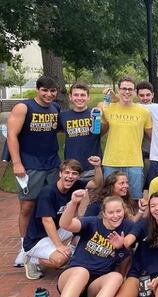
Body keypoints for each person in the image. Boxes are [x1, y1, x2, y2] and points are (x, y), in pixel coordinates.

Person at [46, 193, 134, 297]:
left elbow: (124, 256)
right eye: (111, 212)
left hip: (94, 286)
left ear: (124, 211)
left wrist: (120, 248)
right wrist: (73, 203)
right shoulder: (92, 223)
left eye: (118, 211)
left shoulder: (127, 226)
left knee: (116, 277)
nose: (115, 216)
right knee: (82, 272)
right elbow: (65, 224)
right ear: (104, 214)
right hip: (72, 278)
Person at [7, 76, 61, 267]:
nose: (48, 94)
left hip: (52, 164)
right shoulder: (24, 107)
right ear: (38, 90)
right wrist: (16, 163)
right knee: (27, 207)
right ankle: (24, 248)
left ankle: (45, 242)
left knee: (50, 206)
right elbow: (11, 135)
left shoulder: (56, 109)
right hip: (30, 164)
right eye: (45, 90)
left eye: (52, 91)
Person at [22, 158, 102, 279]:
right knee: (61, 259)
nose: (70, 176)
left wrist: (97, 167)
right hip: (37, 239)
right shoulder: (48, 192)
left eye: (74, 174)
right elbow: (46, 221)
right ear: (60, 174)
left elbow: (97, 183)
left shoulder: (75, 185)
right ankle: (32, 260)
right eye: (67, 172)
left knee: (84, 226)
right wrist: (59, 246)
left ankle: (69, 250)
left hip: (56, 229)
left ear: (78, 176)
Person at [101, 76, 152, 201]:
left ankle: (133, 221)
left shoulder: (143, 112)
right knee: (110, 199)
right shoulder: (108, 108)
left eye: (130, 89)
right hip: (111, 162)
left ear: (135, 92)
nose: (127, 92)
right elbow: (100, 133)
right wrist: (98, 116)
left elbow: (153, 136)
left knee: (134, 199)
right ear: (118, 90)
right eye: (124, 88)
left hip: (134, 162)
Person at [60, 82, 102, 181]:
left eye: (83, 95)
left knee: (93, 195)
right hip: (71, 168)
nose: (79, 98)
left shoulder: (95, 114)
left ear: (88, 97)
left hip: (91, 166)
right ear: (70, 97)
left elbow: (103, 130)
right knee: (72, 196)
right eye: (76, 95)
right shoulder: (63, 116)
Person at [135, 81, 154, 187]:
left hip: (154, 155)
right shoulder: (133, 109)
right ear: (137, 95)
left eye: (148, 95)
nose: (145, 98)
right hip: (138, 155)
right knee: (138, 187)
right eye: (141, 95)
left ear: (153, 95)